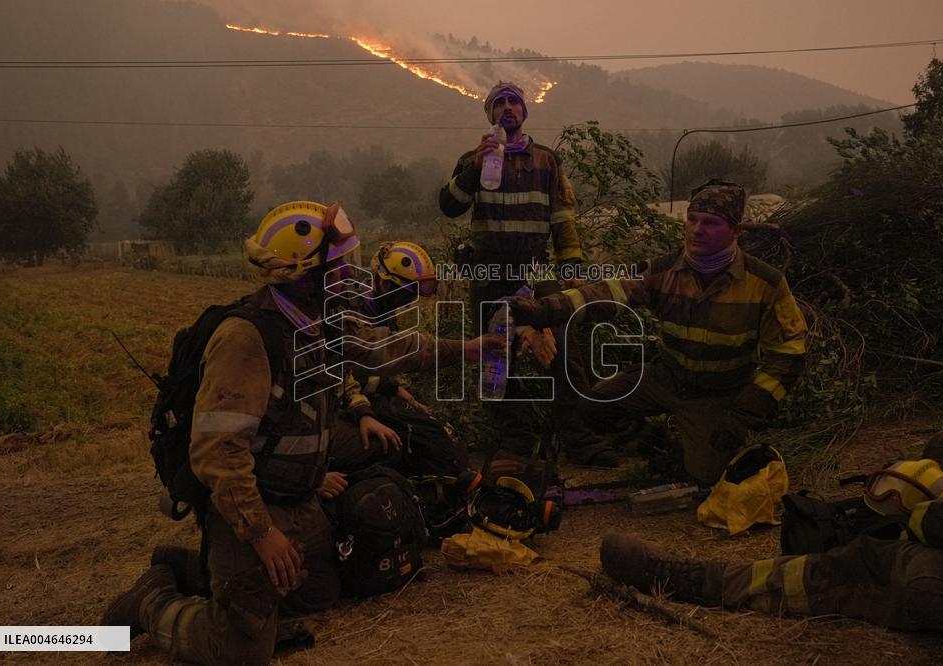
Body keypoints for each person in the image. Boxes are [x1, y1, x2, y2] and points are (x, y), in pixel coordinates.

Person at [100, 201, 494, 665]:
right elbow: (218, 451)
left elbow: (389, 349)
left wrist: (469, 349)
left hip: (300, 500)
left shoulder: (321, 323)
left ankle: (193, 568)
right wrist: (261, 532)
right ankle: (151, 602)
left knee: (323, 591)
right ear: (301, 275)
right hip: (253, 508)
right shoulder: (247, 339)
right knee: (238, 650)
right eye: (337, 266)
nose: (348, 276)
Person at [597, 276, 943, 634]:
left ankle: (701, 581)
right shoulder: (671, 272)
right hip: (680, 387)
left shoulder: (762, 282)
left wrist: (917, 519)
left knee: (863, 563)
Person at [509, 179, 808, 485]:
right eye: (692, 220)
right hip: (665, 377)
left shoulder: (766, 283)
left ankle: (689, 448)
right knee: (591, 408)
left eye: (710, 223)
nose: (696, 229)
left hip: (716, 393)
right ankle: (654, 441)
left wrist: (744, 414)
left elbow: (788, 355)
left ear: (736, 231)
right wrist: (546, 309)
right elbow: (610, 292)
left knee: (706, 477)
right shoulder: (664, 270)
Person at [438, 80, 607, 465]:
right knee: (493, 360)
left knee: (564, 346)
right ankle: (516, 437)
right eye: (499, 104)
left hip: (535, 272)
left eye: (514, 102)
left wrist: (571, 267)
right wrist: (473, 171)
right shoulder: (472, 159)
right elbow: (449, 206)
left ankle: (577, 437)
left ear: (525, 111)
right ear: (490, 115)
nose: (508, 108)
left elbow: (563, 219)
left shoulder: (547, 160)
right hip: (489, 272)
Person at [326, 241, 468, 476]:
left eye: (411, 294)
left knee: (433, 431)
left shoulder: (384, 311)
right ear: (383, 281)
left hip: (367, 395)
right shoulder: (346, 308)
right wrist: (365, 411)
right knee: (403, 441)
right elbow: (345, 369)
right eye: (404, 292)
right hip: (344, 401)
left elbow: (385, 365)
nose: (407, 300)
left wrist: (404, 395)